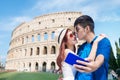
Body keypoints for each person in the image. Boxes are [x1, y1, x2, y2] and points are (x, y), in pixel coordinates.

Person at [73, 15, 111, 80]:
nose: (75, 32)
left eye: (77, 29)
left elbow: (100, 59)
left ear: (87, 29)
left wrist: (95, 64)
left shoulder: (103, 41)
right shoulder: (81, 47)